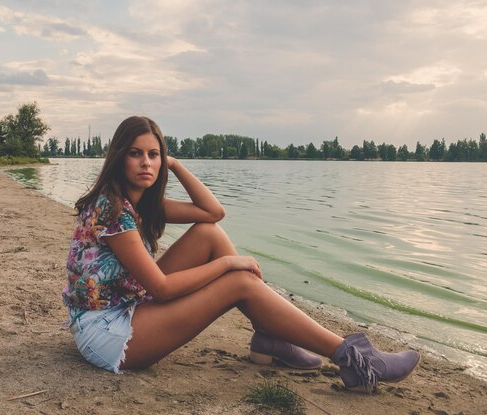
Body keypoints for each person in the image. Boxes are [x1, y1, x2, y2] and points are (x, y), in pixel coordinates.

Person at [62, 115, 420, 393]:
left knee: (208, 234)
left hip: (125, 310)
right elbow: (163, 288)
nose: (146, 163)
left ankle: (271, 337)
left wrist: (176, 165)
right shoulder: (112, 210)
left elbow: (213, 214)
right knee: (238, 283)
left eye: (153, 155)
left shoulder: (140, 204)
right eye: (135, 153)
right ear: (118, 157)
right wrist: (228, 264)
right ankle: (357, 360)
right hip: (107, 336)